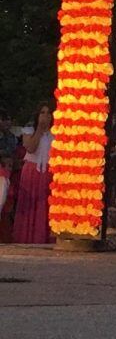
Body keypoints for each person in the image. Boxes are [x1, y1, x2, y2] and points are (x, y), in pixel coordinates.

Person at [13, 102, 55, 244]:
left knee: (45, 206)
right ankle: (26, 238)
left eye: (48, 113)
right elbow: (30, 148)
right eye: (42, 113)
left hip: (48, 172)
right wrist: (40, 130)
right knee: (30, 205)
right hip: (32, 171)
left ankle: (44, 238)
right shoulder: (29, 131)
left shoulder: (55, 133)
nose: (45, 116)